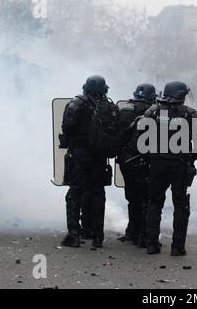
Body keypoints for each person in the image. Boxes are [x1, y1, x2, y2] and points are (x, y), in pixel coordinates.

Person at [137, 81, 197, 256]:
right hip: (180, 166)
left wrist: (151, 158)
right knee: (181, 207)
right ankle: (177, 247)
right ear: (181, 95)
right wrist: (188, 159)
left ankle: (152, 244)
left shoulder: (152, 112)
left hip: (156, 166)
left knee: (154, 204)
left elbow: (140, 142)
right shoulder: (190, 114)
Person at [60, 75, 111, 249]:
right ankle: (98, 236)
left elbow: (67, 127)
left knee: (74, 193)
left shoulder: (76, 103)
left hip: (79, 155)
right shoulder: (107, 106)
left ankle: (74, 235)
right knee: (97, 194)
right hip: (100, 157)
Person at [118, 84, 157, 248]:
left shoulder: (125, 107)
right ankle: (143, 235)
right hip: (145, 160)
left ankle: (131, 232)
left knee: (132, 198)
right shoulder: (154, 111)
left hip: (126, 160)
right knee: (147, 200)